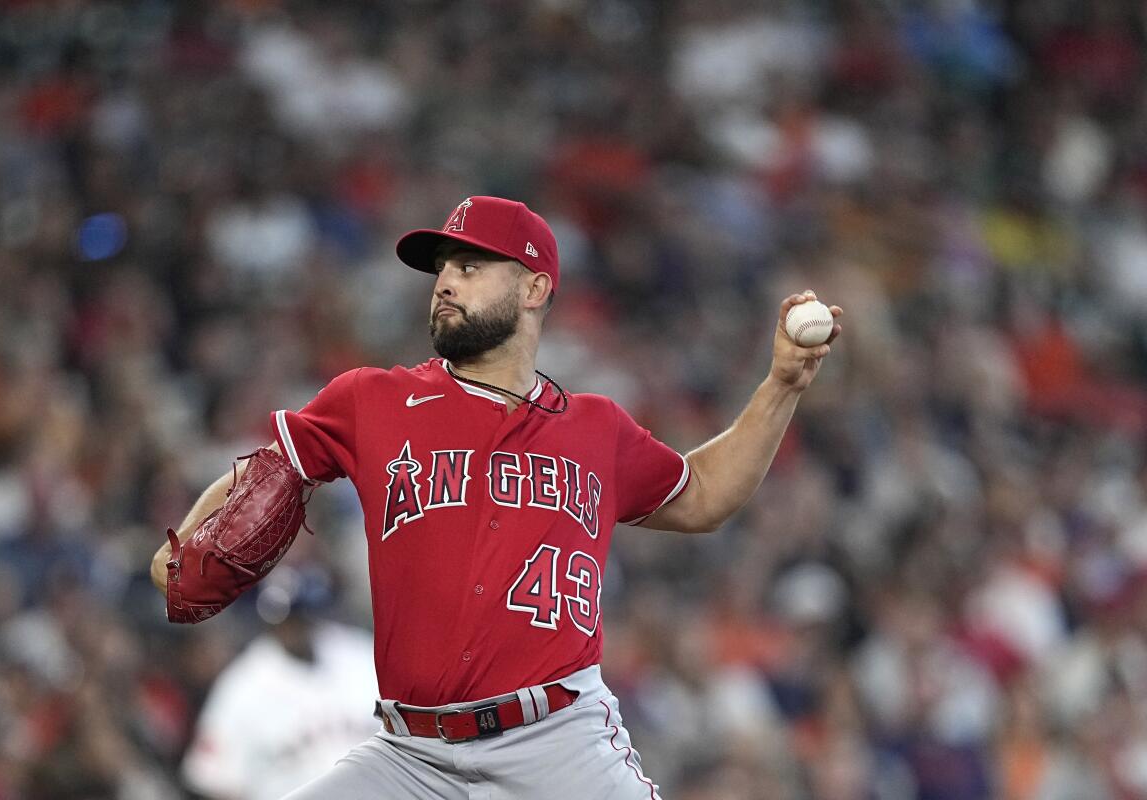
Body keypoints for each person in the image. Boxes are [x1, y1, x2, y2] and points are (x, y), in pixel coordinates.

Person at [151, 195, 843, 798]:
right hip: (409, 756)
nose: (446, 282)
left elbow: (703, 496)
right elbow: (274, 466)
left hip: (557, 745)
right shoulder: (373, 400)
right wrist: (188, 543)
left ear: (535, 287)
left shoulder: (597, 426)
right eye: (443, 268)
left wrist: (781, 386)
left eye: (471, 266)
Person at [180, 566, 379, 800]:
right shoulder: (240, 688)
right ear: (269, 623)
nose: (293, 627)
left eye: (299, 615)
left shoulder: (359, 653)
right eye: (285, 620)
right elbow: (213, 780)